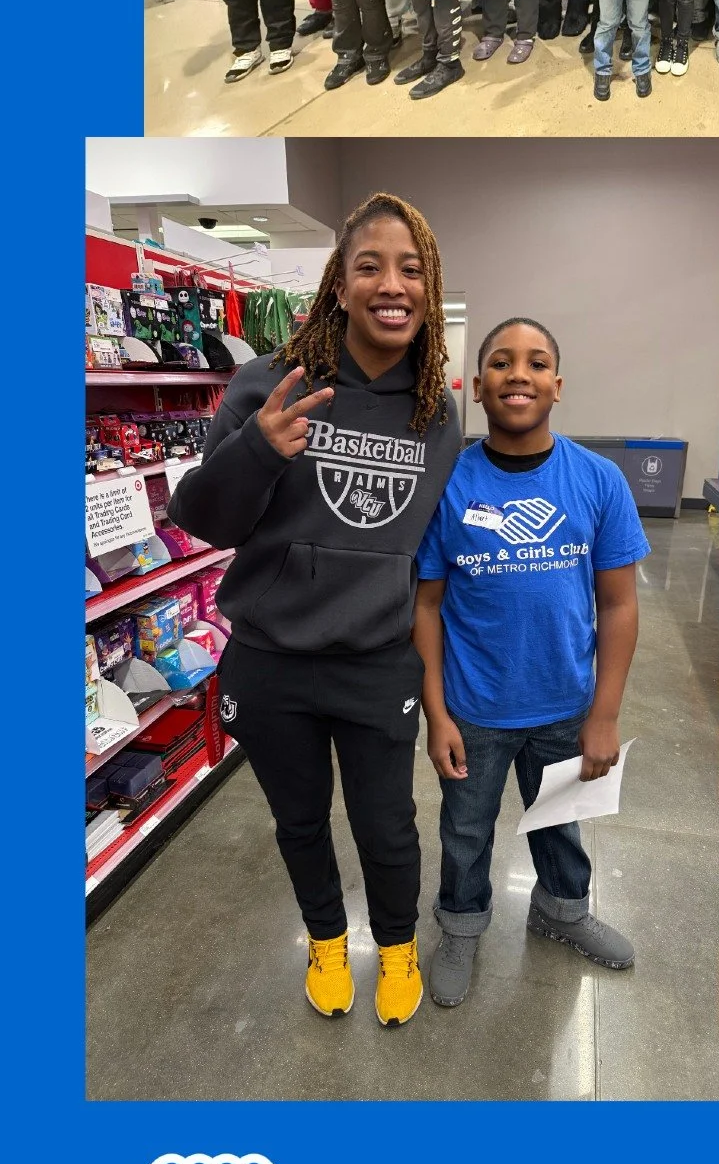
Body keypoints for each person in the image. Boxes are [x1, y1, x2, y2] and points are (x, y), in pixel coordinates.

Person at [167, 194, 462, 1028]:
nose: (391, 283)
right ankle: (327, 942)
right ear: (340, 283)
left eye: (412, 269)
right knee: (298, 821)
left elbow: (427, 547)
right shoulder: (269, 380)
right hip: (272, 660)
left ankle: (397, 948)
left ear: (430, 289)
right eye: (369, 265)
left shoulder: (436, 407)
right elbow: (200, 517)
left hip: (376, 659)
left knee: (389, 825)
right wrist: (257, 449)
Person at [414, 318, 648, 1004]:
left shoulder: (597, 480)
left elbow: (619, 606)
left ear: (558, 385)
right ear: (478, 385)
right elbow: (424, 607)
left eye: (538, 362)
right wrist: (436, 713)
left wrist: (603, 714)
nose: (520, 373)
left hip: (566, 703)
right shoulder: (449, 483)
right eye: (502, 362)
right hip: (474, 708)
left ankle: (562, 909)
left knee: (559, 823)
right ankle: (460, 924)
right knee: (464, 830)